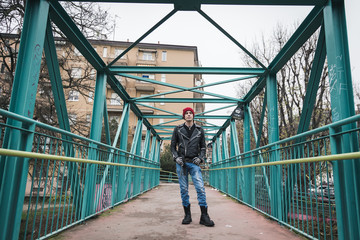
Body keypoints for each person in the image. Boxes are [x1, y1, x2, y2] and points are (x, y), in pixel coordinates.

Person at [170, 107, 215, 227]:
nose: (189, 115)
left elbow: (203, 147)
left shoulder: (200, 130)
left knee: (200, 188)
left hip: (194, 163)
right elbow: (173, 147)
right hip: (182, 163)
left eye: (190, 113)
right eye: (186, 113)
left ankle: (204, 216)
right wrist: (176, 157)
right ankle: (187, 215)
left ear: (193, 116)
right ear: (184, 116)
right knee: (184, 190)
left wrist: (200, 158)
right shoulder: (177, 129)